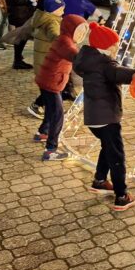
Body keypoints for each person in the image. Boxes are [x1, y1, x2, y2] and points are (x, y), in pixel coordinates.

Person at [73, 23, 135, 211]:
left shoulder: (89, 60)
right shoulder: (105, 64)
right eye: (115, 45)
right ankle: (122, 195)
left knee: (107, 147)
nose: (117, 48)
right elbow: (119, 73)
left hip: (94, 117)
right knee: (116, 155)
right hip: (107, 117)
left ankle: (100, 181)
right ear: (106, 47)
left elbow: (115, 70)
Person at [34, 13, 89, 161]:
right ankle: (51, 149)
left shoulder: (66, 40)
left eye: (84, 31)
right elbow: (75, 57)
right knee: (58, 115)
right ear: (70, 30)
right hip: (51, 82)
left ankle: (42, 132)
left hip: (48, 80)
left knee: (51, 111)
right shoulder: (66, 43)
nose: (82, 34)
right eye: (79, 31)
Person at [27, 0, 64, 120]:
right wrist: (65, 41)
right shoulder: (52, 22)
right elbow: (55, 36)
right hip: (47, 63)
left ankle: (39, 106)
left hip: (42, 62)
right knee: (49, 90)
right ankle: (38, 108)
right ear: (54, 10)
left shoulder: (42, 19)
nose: (63, 11)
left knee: (47, 88)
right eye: (61, 9)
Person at [0, 0, 34, 69]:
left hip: (14, 11)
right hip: (20, 12)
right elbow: (19, 0)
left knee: (21, 35)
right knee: (22, 36)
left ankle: (18, 58)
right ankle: (17, 60)